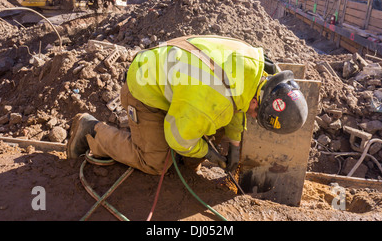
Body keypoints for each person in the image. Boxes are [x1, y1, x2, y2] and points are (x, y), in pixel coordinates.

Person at [67, 35, 308, 175]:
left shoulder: (255, 65)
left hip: (171, 73)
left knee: (207, 126)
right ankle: (92, 130)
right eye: (256, 113)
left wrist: (234, 142)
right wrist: (209, 155)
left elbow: (238, 97)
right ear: (259, 99)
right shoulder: (213, 101)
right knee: (156, 163)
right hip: (143, 89)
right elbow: (178, 139)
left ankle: (183, 147)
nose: (253, 117)